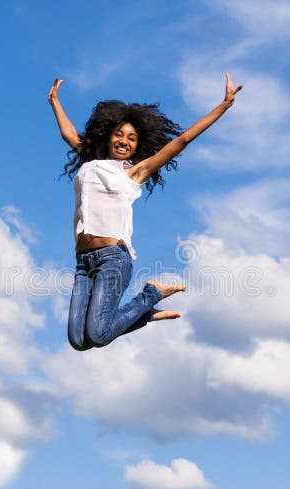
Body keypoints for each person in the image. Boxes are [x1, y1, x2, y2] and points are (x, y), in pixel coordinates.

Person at [49, 73, 242, 351]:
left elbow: (183, 140)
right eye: (119, 134)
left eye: (131, 138)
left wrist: (223, 106)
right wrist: (54, 101)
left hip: (112, 260)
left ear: (138, 145)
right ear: (108, 136)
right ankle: (143, 315)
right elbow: (68, 133)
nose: (124, 141)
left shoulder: (134, 173)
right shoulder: (90, 162)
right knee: (79, 341)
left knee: (99, 335)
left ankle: (152, 293)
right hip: (83, 262)